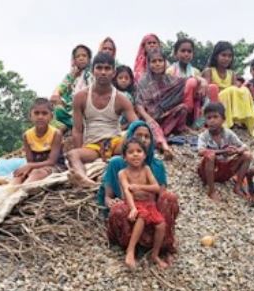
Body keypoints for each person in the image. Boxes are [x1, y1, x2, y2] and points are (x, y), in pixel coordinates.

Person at [101, 120, 179, 259]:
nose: (143, 139)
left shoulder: (156, 165)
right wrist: (109, 200)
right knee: (118, 209)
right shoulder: (117, 163)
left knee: (170, 198)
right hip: (129, 209)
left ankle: (161, 246)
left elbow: (160, 194)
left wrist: (146, 197)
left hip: (150, 206)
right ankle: (131, 247)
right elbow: (109, 195)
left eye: (147, 136)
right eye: (138, 135)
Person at [66, 52, 138, 187]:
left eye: (107, 68)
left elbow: (137, 125)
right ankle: (83, 178)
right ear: (93, 70)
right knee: (72, 155)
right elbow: (77, 129)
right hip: (92, 146)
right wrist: (80, 149)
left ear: (113, 72)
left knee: (132, 144)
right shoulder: (80, 97)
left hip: (115, 143)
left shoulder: (121, 99)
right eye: (99, 68)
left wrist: (135, 140)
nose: (103, 72)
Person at [117, 138, 169, 269]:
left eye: (139, 151)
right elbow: (127, 191)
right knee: (142, 216)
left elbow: (157, 188)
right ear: (124, 157)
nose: (135, 154)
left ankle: (155, 255)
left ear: (144, 155)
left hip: (149, 203)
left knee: (161, 224)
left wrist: (139, 187)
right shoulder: (123, 173)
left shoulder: (146, 169)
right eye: (130, 152)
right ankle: (130, 251)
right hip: (133, 203)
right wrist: (133, 208)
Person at [135, 49, 189, 158]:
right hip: (150, 117)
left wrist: (201, 81)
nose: (157, 64)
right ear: (149, 64)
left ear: (165, 63)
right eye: (153, 61)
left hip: (165, 116)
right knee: (151, 125)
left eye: (160, 61)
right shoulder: (143, 81)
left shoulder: (170, 79)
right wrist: (147, 117)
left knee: (183, 108)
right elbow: (138, 103)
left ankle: (166, 133)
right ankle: (165, 147)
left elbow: (186, 81)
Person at [201, 41, 254, 137]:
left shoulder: (231, 73)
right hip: (214, 102)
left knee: (244, 90)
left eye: (229, 56)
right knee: (230, 89)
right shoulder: (209, 71)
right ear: (216, 56)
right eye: (223, 55)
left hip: (229, 103)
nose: (226, 59)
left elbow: (235, 92)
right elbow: (207, 91)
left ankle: (243, 119)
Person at [197, 102, 251, 201]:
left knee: (247, 155)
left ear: (223, 119)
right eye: (209, 118)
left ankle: (238, 186)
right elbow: (200, 151)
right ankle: (211, 190)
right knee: (210, 155)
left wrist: (237, 151)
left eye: (215, 117)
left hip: (223, 171)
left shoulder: (229, 134)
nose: (212, 121)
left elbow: (245, 147)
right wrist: (223, 151)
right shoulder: (204, 136)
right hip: (207, 171)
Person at [167, 38, 219, 127]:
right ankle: (186, 118)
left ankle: (212, 119)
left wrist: (201, 85)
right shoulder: (171, 70)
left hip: (195, 100)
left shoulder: (195, 71)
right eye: (183, 51)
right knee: (191, 82)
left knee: (213, 88)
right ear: (176, 54)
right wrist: (195, 81)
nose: (186, 54)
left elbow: (201, 86)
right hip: (177, 101)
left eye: (189, 51)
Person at [12, 98, 65, 184]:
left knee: (37, 173)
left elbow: (52, 162)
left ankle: (24, 189)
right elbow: (30, 161)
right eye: (36, 113)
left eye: (44, 113)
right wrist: (27, 169)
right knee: (19, 175)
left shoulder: (56, 134)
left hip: (55, 166)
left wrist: (30, 166)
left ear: (51, 117)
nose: (40, 117)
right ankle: (10, 190)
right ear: (30, 116)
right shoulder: (27, 135)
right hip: (35, 167)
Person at [50, 44, 93, 129]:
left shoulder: (92, 74)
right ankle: (75, 124)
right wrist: (72, 78)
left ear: (89, 59)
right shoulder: (69, 76)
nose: (81, 58)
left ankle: (75, 125)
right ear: (74, 60)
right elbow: (60, 90)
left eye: (84, 55)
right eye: (78, 56)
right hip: (70, 110)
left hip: (87, 107)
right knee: (58, 111)